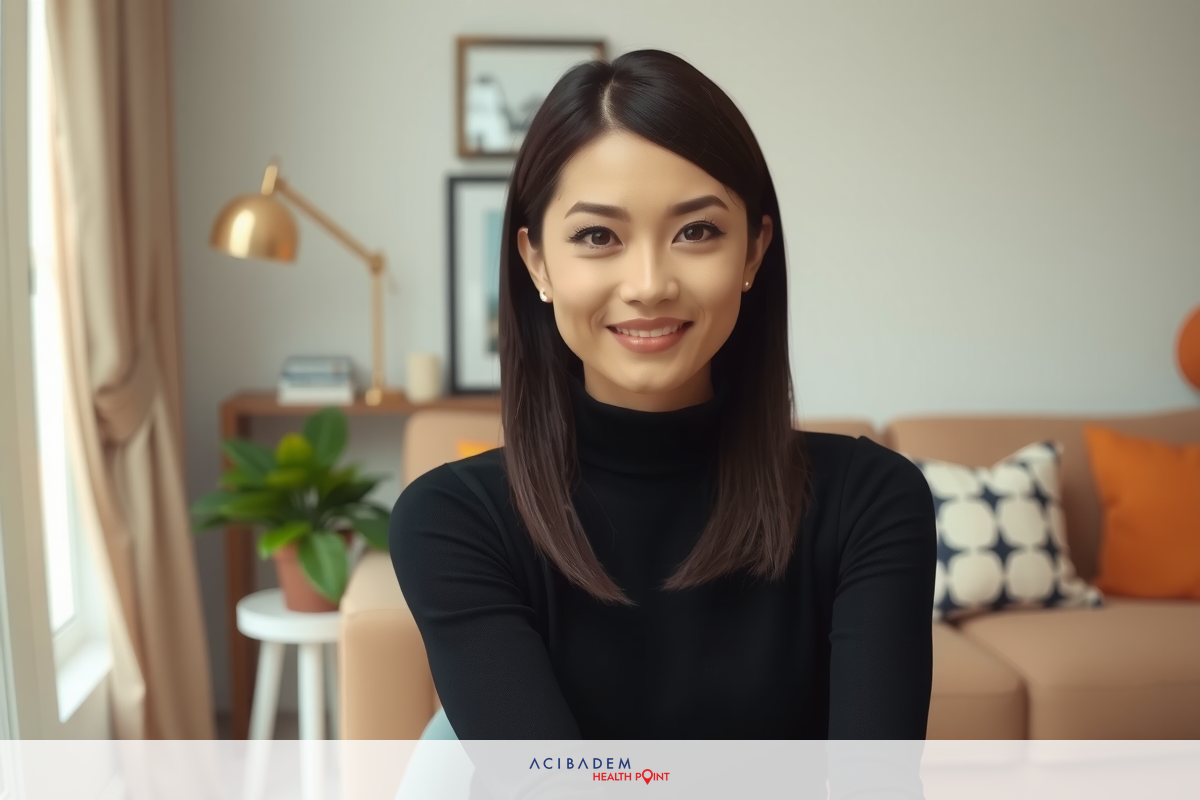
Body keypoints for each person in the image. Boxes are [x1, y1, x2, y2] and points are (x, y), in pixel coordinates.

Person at [390, 49, 936, 741]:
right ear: (537, 263)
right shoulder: (451, 523)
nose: (649, 282)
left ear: (753, 253)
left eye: (697, 231)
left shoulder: (871, 501)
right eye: (597, 236)